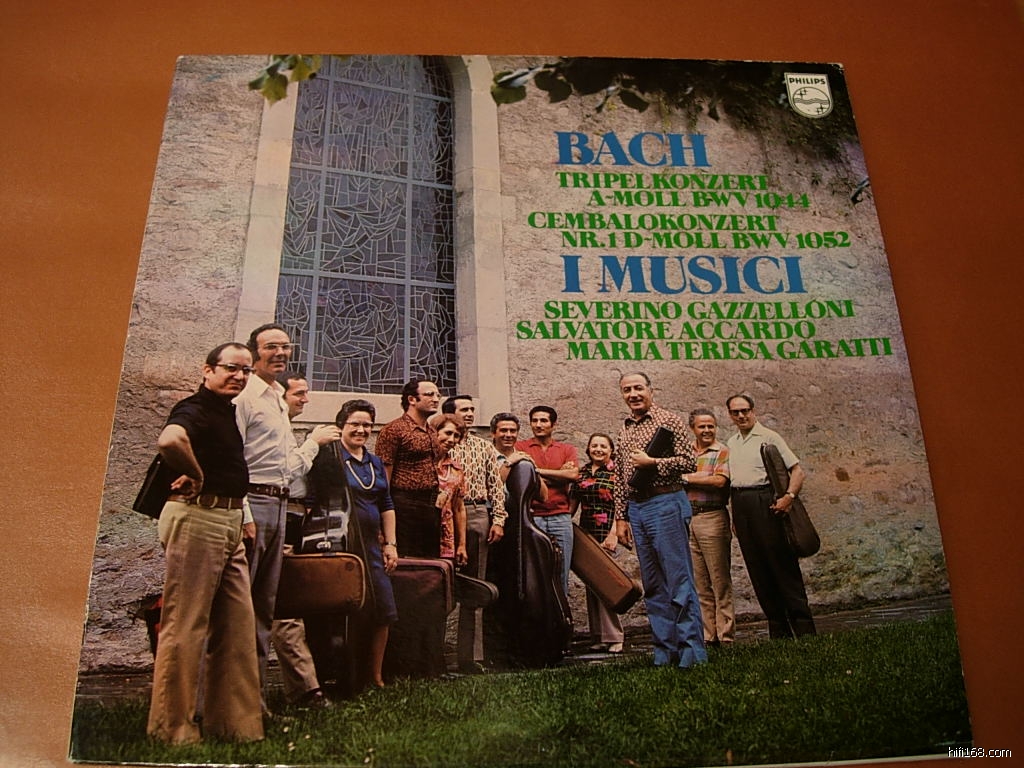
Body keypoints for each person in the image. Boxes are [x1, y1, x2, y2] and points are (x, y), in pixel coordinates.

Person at [146, 342, 263, 744]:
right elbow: (170, 441)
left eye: (246, 371)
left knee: (237, 626)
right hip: (198, 517)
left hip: (228, 520)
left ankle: (235, 726)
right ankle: (172, 729)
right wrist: (195, 474)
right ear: (207, 370)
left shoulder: (225, 411)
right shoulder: (194, 408)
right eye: (231, 368)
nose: (240, 376)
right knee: (186, 624)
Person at [234, 323, 339, 707]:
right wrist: (244, 514)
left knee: (266, 610)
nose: (280, 353)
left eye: (285, 346)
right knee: (241, 607)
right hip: (253, 505)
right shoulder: (244, 397)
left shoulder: (277, 399)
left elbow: (286, 470)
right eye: (270, 347)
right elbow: (234, 462)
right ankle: (231, 703)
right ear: (254, 352)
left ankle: (254, 704)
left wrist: (309, 446)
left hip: (278, 505)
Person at [613, 372, 706, 668]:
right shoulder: (624, 428)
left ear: (651, 390)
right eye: (627, 390)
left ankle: (692, 653)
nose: (633, 394)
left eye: (638, 388)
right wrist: (621, 517)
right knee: (653, 583)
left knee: (679, 580)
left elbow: (689, 462)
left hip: (666, 503)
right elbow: (620, 476)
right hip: (638, 508)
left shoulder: (669, 421)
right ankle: (665, 651)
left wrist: (653, 463)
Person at [309, 399, 399, 688]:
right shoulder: (329, 457)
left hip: (371, 545)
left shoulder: (374, 462)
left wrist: (391, 544)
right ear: (341, 426)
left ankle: (375, 676)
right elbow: (313, 498)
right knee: (340, 609)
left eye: (367, 425)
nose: (361, 430)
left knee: (382, 608)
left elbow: (386, 503)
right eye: (355, 424)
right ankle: (341, 674)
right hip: (339, 542)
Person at [724, 394, 815, 639]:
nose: (741, 416)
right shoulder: (732, 442)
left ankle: (804, 629)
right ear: (730, 415)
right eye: (735, 412)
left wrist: (788, 497)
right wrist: (735, 516)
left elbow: (797, 471)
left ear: (753, 411)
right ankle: (778, 630)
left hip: (767, 501)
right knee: (758, 568)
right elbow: (733, 481)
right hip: (741, 504)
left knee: (782, 564)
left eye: (745, 411)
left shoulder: (769, 437)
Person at [269, 370, 330, 707]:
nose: (306, 399)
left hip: (291, 518)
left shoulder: (286, 428)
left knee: (287, 605)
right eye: (299, 394)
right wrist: (313, 443)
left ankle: (305, 688)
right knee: (284, 607)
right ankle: (306, 690)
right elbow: (287, 472)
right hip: (273, 516)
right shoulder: (277, 430)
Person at [441, 395, 507, 672]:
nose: (469, 414)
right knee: (442, 581)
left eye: (471, 409)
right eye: (463, 410)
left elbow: (496, 486)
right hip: (445, 516)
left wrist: (498, 519)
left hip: (477, 512)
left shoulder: (484, 447)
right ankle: (437, 654)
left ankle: (471, 657)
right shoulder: (442, 444)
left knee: (476, 585)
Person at [569, 433, 624, 654]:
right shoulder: (582, 473)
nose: (598, 449)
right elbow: (573, 504)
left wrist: (614, 534)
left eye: (603, 446)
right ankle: (600, 636)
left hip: (607, 532)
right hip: (587, 533)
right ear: (588, 449)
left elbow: (621, 506)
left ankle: (615, 636)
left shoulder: (616, 473)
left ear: (611, 450)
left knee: (608, 585)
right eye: (594, 446)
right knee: (592, 585)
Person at [684, 407, 735, 647]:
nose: (707, 430)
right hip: (689, 519)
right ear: (692, 428)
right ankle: (708, 634)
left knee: (719, 579)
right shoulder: (686, 452)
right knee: (700, 581)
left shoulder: (721, 451)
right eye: (702, 426)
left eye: (710, 426)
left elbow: (719, 481)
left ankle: (726, 635)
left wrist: (687, 478)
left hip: (712, 517)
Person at [515, 405, 579, 595]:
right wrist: (559, 475)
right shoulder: (521, 447)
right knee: (534, 571)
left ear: (554, 424)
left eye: (543, 420)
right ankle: (538, 614)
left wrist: (536, 471)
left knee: (561, 570)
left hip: (561, 517)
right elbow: (523, 477)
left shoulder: (566, 449)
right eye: (534, 420)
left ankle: (561, 612)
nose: (538, 425)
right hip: (532, 517)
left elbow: (573, 475)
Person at [375, 378, 443, 557]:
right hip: (404, 504)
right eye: (429, 394)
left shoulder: (432, 431)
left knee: (429, 561)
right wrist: (383, 516)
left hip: (430, 505)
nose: (436, 399)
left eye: (438, 395)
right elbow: (384, 475)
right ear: (412, 399)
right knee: (406, 560)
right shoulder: (394, 430)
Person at [434, 413, 469, 566]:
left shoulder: (456, 470)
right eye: (448, 433)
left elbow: (459, 508)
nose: (451, 439)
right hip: (421, 532)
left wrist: (462, 545)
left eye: (456, 436)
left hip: (446, 538)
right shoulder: (420, 463)